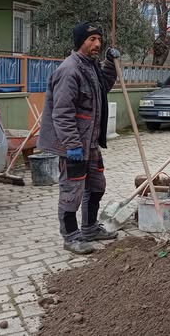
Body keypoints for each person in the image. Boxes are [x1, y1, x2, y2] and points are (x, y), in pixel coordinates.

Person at [38, 22, 119, 255]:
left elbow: (103, 86)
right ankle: (71, 236)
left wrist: (111, 64)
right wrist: (72, 145)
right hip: (73, 146)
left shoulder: (91, 66)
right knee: (71, 191)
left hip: (90, 144)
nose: (97, 44)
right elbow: (62, 113)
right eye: (92, 39)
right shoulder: (69, 70)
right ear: (80, 42)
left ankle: (90, 227)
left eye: (99, 40)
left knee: (96, 186)